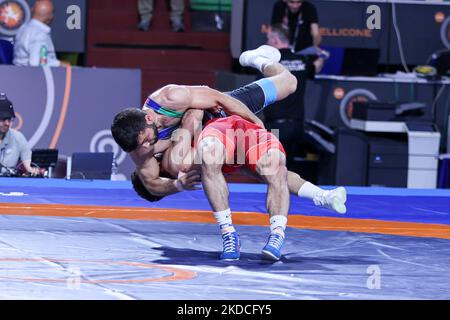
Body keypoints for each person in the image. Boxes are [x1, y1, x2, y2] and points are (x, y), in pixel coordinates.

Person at [111, 45, 346, 214]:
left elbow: (213, 99)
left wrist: (253, 119)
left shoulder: (169, 99)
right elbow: (153, 183)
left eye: (145, 141)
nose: (144, 147)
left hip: (222, 110)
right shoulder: (149, 150)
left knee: (290, 83)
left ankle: (259, 60)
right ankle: (321, 196)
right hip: (222, 140)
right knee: (270, 170)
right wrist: (178, 185)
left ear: (148, 118)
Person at [264, 24, 329, 169]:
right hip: (296, 126)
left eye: (268, 39)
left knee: (272, 169)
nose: (267, 42)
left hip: (275, 127)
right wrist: (323, 57)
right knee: (289, 168)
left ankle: (275, 191)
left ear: (275, 40)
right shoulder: (301, 60)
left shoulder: (270, 63)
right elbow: (315, 67)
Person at [13, 0, 68, 67]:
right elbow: (36, 63)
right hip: (33, 75)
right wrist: (60, 64)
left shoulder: (23, 28)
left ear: (31, 10)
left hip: (20, 73)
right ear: (50, 16)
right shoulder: (39, 34)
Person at [0, 93, 39, 176]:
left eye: (9, 119)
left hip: (9, 186)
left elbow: (28, 166)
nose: (7, 123)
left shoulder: (18, 137)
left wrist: (30, 170)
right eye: (3, 119)